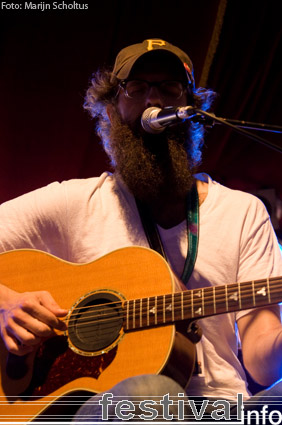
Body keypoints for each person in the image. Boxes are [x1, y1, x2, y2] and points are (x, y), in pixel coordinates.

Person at [0, 38, 282, 423]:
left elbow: (263, 362)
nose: (154, 100)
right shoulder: (75, 203)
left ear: (192, 112)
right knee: (151, 391)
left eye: (169, 89)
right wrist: (7, 304)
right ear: (112, 110)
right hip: (111, 405)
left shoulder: (242, 211)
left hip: (223, 408)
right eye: (137, 88)